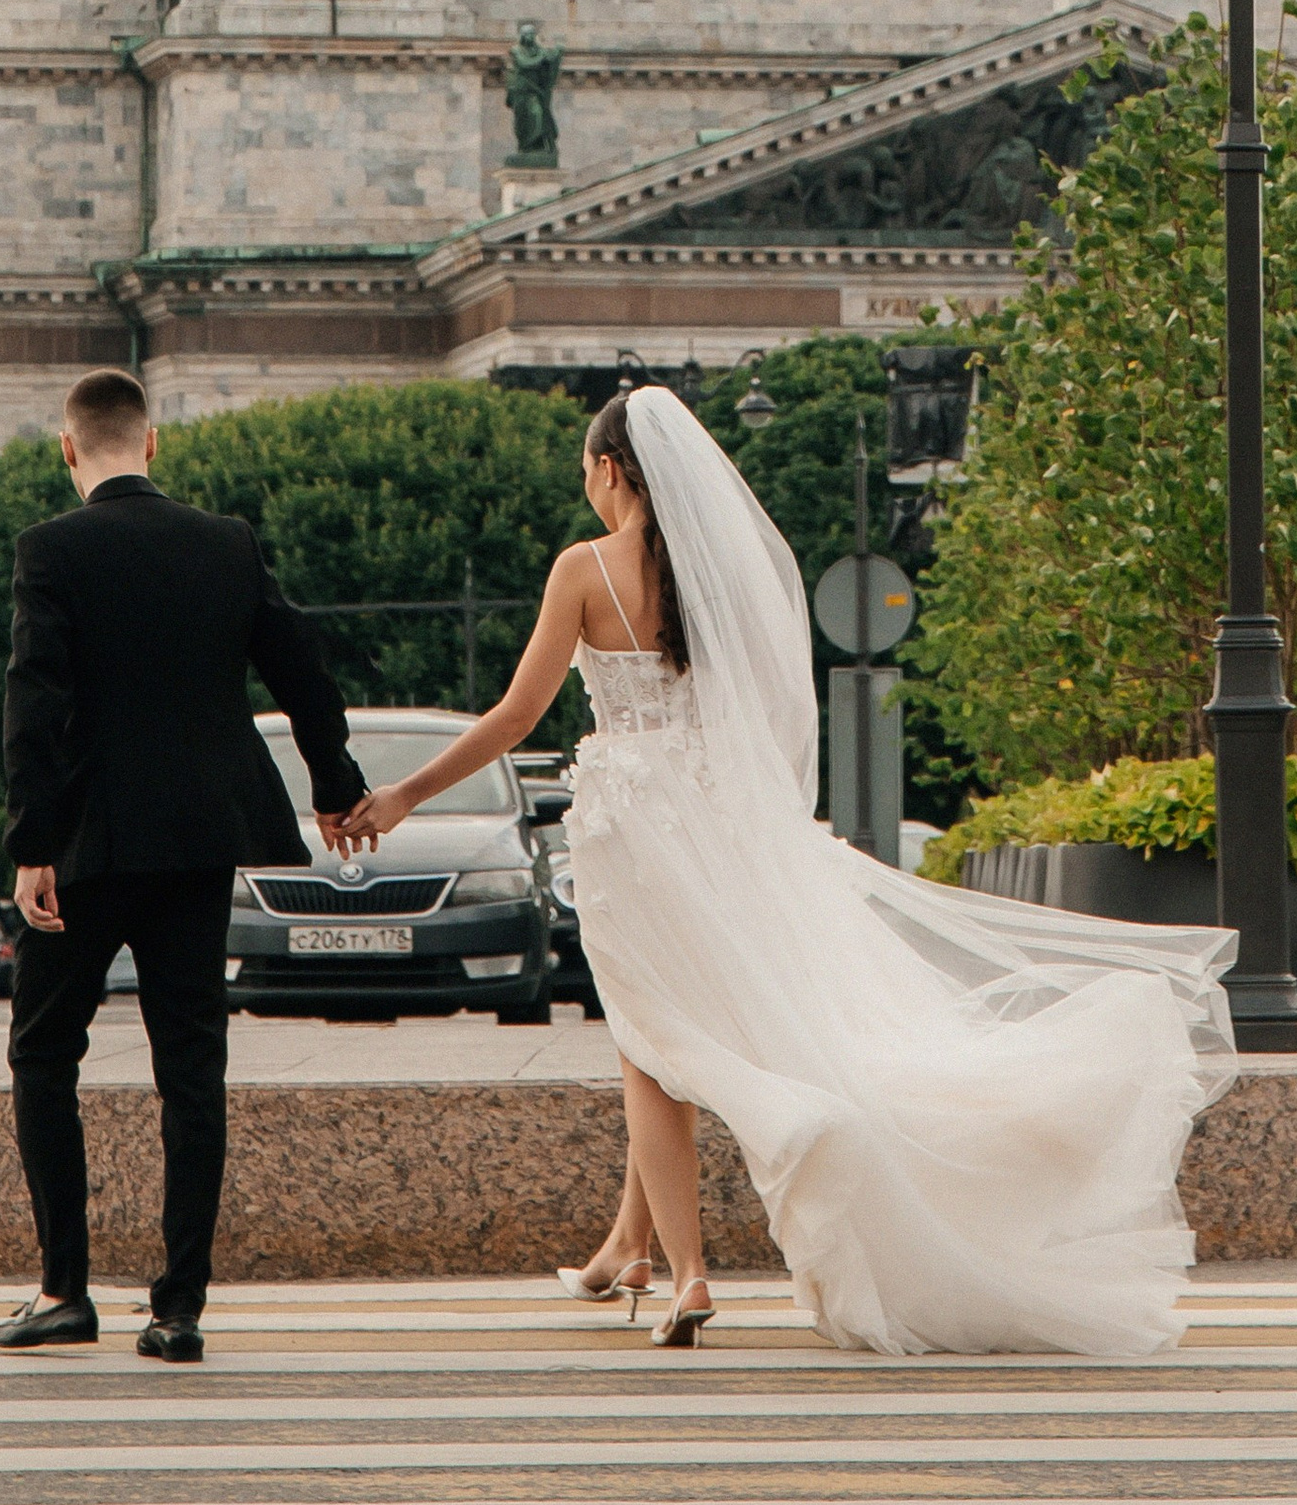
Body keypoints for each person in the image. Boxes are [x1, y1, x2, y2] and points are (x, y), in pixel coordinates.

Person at [347, 384, 1234, 1359]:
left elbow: (517, 716)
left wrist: (403, 794)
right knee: (676, 1026)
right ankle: (624, 1249)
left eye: (587, 474)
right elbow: (766, 714)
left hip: (631, 831)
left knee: (652, 1043)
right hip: (723, 824)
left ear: (608, 470)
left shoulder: (584, 568)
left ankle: (687, 1272)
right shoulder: (718, 574)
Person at [0, 367, 364, 1361]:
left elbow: (36, 700)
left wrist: (32, 841)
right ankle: (178, 1307)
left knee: (41, 1052)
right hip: (202, 836)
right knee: (191, 1066)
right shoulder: (227, 543)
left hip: (85, 847)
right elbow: (302, 667)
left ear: (69, 448)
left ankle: (62, 1287)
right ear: (152, 443)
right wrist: (333, 782)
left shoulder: (49, 550)